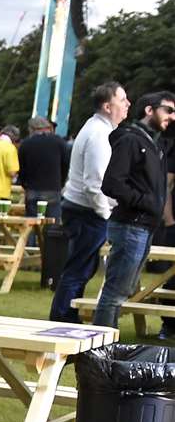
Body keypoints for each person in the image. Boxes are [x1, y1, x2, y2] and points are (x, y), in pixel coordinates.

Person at [91, 91, 174, 327]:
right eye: (168, 110)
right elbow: (112, 183)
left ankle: (103, 345)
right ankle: (100, 349)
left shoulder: (154, 142)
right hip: (131, 225)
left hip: (143, 226)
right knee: (115, 293)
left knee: (122, 291)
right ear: (150, 110)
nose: (172, 116)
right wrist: (146, 202)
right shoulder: (130, 140)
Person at [50, 82, 130, 322]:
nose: (128, 104)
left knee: (80, 268)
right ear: (108, 106)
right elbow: (94, 183)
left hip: (81, 208)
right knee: (78, 270)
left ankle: (65, 318)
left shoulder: (95, 128)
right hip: (87, 211)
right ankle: (63, 320)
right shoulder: (99, 134)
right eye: (122, 99)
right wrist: (105, 213)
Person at [17, 116, 69, 218]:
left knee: (31, 223)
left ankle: (32, 234)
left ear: (31, 129)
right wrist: (61, 182)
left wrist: (24, 184)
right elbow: (65, 164)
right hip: (53, 188)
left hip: (32, 188)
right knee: (52, 222)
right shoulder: (59, 142)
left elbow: (21, 168)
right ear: (48, 128)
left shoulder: (26, 144)